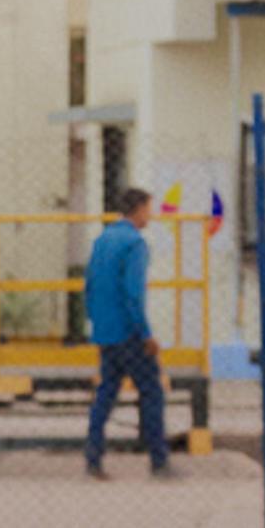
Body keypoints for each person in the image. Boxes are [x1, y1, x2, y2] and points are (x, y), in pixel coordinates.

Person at [82, 185, 172, 477]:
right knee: (151, 392)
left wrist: (95, 322)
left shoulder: (103, 239)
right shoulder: (135, 244)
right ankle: (158, 460)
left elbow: (90, 286)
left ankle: (93, 457)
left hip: (106, 331)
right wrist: (146, 334)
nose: (151, 215)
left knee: (106, 393)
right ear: (138, 210)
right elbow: (133, 293)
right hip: (129, 331)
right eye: (148, 208)